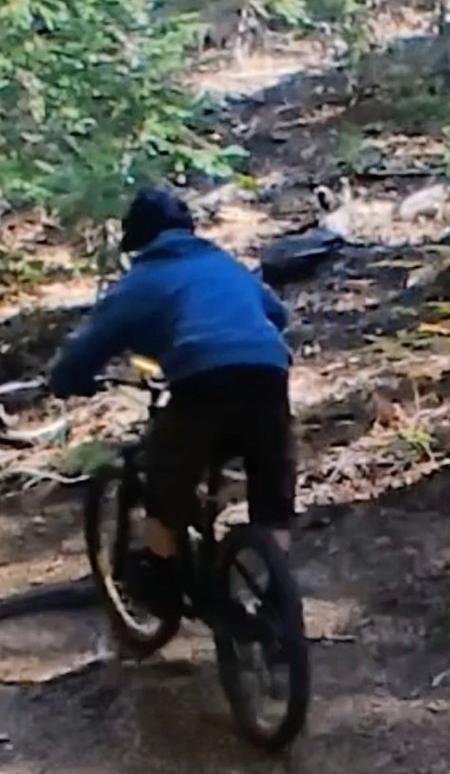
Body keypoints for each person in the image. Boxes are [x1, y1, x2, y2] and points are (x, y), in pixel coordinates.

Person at [49, 187, 295, 615]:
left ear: (140, 240)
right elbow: (277, 314)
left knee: (165, 474)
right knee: (271, 491)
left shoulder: (142, 281)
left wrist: (68, 380)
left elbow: (90, 345)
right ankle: (278, 599)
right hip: (267, 374)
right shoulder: (226, 265)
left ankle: (161, 576)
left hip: (202, 383)